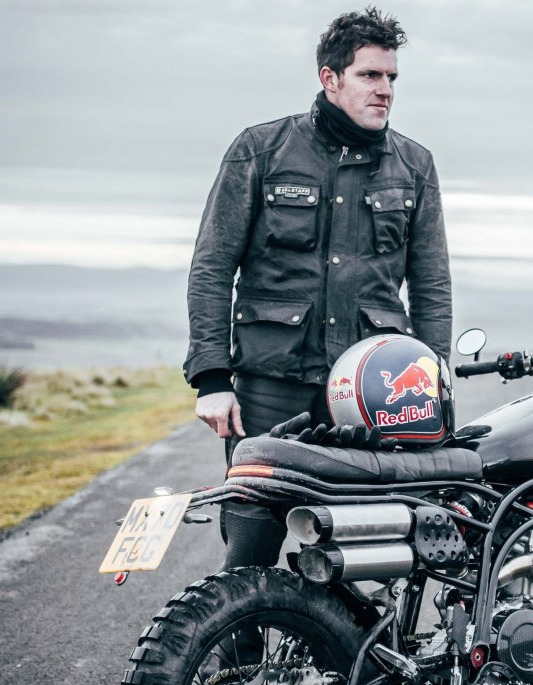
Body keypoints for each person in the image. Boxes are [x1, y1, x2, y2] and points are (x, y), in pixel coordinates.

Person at [183, 7, 453, 573]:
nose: (385, 91)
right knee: (251, 542)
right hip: (270, 382)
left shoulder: (415, 165)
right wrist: (212, 378)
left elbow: (430, 283)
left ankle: (351, 660)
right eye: (370, 76)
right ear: (330, 79)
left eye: (391, 78)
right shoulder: (260, 150)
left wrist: (433, 378)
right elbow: (211, 267)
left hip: (372, 393)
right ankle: (236, 657)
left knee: (365, 547)